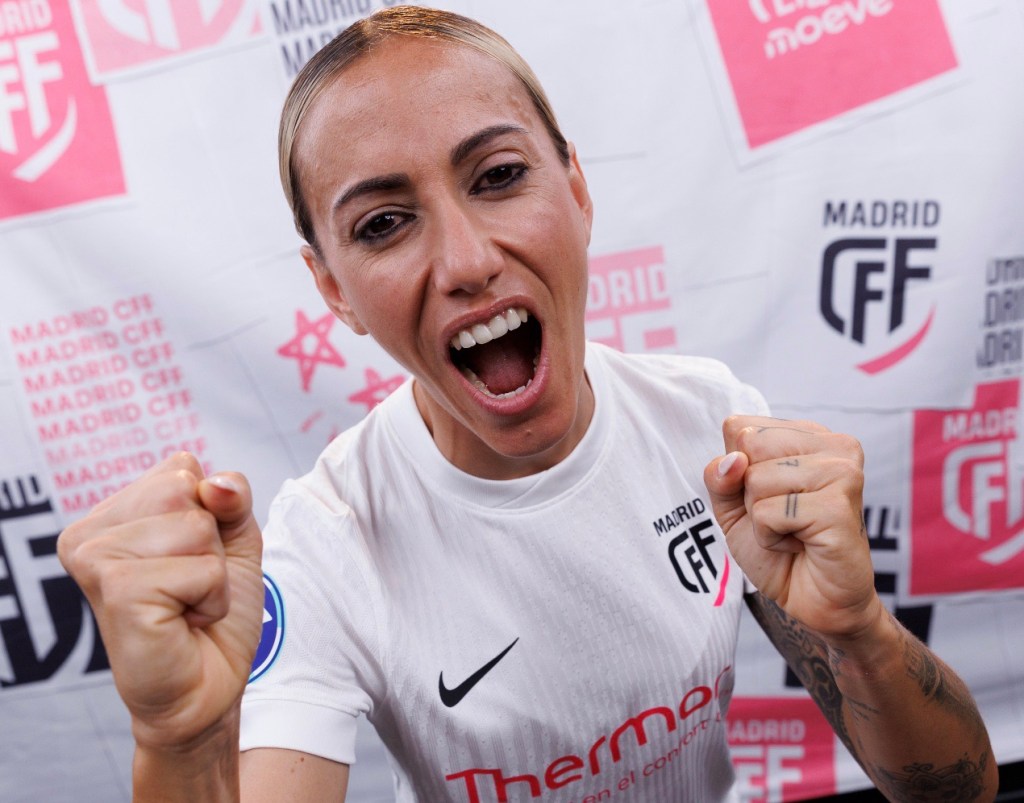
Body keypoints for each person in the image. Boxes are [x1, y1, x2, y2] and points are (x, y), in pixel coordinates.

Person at [57, 7, 996, 803]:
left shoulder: (710, 425)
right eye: (384, 224)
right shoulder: (327, 545)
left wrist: (861, 632)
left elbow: (954, 790)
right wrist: (179, 743)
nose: (467, 261)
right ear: (334, 289)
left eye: (499, 176)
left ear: (576, 188)